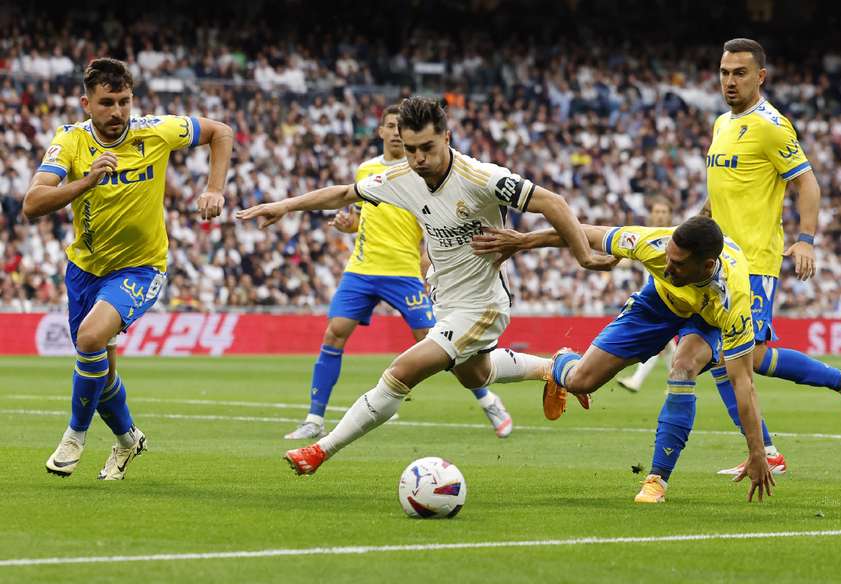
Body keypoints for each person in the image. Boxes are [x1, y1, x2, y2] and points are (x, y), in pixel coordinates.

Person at [237, 96, 613, 476]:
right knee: (476, 375)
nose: (419, 158)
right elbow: (344, 193)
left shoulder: (483, 178)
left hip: (483, 304)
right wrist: (284, 206)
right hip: (446, 299)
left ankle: (320, 449)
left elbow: (553, 202)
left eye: (428, 148)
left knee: (404, 369)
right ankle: (555, 367)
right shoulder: (403, 179)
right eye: (412, 149)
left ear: (447, 137)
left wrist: (583, 256)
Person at [23, 58, 233, 480]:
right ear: (86, 103)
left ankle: (73, 437)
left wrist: (214, 189)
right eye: (106, 103)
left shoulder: (153, 131)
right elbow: (31, 204)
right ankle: (127, 440)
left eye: (123, 101)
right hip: (84, 269)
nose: (117, 112)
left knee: (89, 336)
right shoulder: (69, 142)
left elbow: (220, 132)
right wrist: (85, 182)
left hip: (141, 268)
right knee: (99, 373)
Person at [471, 217, 775, 503]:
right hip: (658, 304)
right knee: (581, 380)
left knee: (683, 368)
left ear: (707, 265)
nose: (668, 266)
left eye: (679, 264)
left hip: (705, 320)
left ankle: (657, 479)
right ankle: (559, 364)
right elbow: (583, 232)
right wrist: (524, 240)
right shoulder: (652, 243)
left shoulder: (733, 300)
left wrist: (757, 452)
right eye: (668, 257)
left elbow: (743, 382)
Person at [699, 38, 841, 475]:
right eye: (724, 72)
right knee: (713, 355)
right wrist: (696, 229)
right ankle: (769, 450)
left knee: (746, 357)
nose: (730, 81)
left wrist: (806, 239)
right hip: (716, 261)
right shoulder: (722, 123)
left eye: (740, 73)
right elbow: (721, 193)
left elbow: (808, 182)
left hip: (754, 263)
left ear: (760, 76)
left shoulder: (772, 125)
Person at [284, 105, 510, 441]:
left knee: (439, 345)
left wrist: (426, 259)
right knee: (334, 334)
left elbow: (436, 220)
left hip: (404, 271)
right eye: (388, 126)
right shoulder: (367, 170)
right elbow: (366, 216)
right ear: (381, 132)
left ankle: (488, 400)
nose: (392, 132)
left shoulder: (421, 173)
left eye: (396, 126)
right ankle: (314, 419)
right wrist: (351, 226)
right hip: (361, 269)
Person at [616, 197, 676, 393]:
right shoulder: (646, 236)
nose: (659, 215)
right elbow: (628, 258)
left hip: (669, 295)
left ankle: (640, 380)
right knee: (664, 344)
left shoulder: (677, 237)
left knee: (658, 340)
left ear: (670, 215)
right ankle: (677, 382)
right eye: (656, 211)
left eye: (663, 212)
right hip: (651, 295)